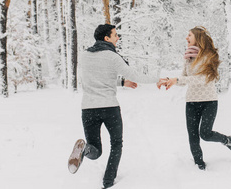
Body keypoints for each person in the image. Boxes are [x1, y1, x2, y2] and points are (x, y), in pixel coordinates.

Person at [68, 24, 163, 189]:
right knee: (116, 143)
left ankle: (84, 150)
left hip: (88, 108)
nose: (118, 38)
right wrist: (158, 80)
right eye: (115, 35)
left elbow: (97, 77)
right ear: (106, 38)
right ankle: (108, 181)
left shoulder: (84, 55)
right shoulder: (113, 57)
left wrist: (121, 82)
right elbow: (135, 75)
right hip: (109, 107)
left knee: (95, 150)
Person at [158, 26, 231, 170]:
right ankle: (199, 164)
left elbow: (203, 79)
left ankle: (228, 140)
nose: (186, 38)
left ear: (198, 37)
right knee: (192, 136)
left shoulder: (210, 56)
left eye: (189, 35)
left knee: (206, 134)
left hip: (209, 101)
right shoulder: (188, 58)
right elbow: (185, 78)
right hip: (191, 102)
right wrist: (169, 80)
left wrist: (177, 80)